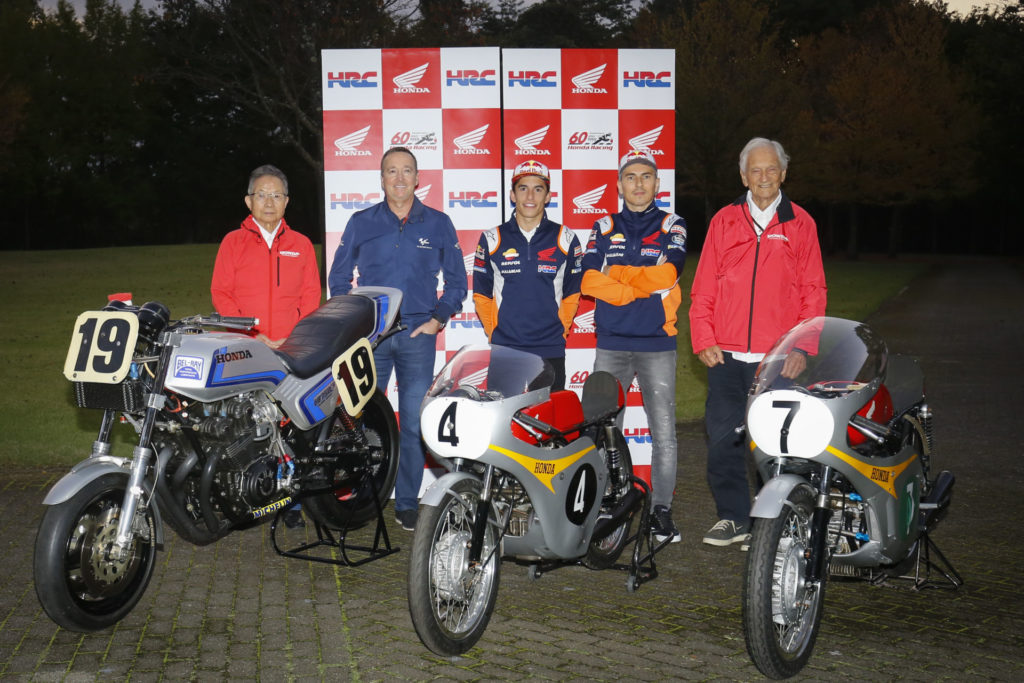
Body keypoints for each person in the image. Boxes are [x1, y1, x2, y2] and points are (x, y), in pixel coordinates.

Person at [689, 137, 827, 547]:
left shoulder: (801, 222)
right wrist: (703, 338)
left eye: (771, 169)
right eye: (755, 170)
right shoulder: (724, 220)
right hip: (726, 357)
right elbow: (704, 287)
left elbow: (813, 291)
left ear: (783, 173)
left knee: (777, 445)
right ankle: (734, 518)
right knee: (723, 440)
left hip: (779, 358)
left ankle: (778, 524)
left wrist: (803, 347)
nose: (763, 177)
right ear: (743, 175)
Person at [328, 146, 467, 532]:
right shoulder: (361, 221)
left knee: (412, 424)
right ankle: (361, 497)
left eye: (407, 171)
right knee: (360, 419)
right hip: (371, 339)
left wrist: (438, 319)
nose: (400, 178)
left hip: (417, 337)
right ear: (382, 178)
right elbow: (338, 279)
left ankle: (406, 501)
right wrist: (356, 322)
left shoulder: (438, 223)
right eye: (392, 171)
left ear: (418, 177)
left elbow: (457, 282)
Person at [580, 149, 688, 543]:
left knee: (663, 432)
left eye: (646, 177)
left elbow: (669, 273)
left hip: (658, 343)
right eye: (631, 177)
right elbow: (589, 280)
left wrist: (618, 277)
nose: (638, 184)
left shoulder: (673, 223)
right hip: (611, 342)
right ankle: (606, 504)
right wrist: (634, 286)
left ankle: (661, 512)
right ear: (619, 185)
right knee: (602, 429)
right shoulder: (604, 225)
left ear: (657, 184)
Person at [211, 163, 322, 528]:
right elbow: (221, 293)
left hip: (291, 350)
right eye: (262, 195)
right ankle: (250, 493)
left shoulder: (301, 244)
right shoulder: (233, 242)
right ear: (249, 201)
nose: (270, 202)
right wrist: (254, 337)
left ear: (287, 202)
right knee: (249, 423)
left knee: (290, 425)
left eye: (277, 195)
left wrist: (294, 338)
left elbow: (311, 297)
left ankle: (289, 502)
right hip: (247, 348)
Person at [473, 160, 582, 391]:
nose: (530, 196)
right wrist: (496, 333)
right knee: (502, 423)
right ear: (512, 195)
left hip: (550, 350)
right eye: (523, 188)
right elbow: (481, 295)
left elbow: (573, 294)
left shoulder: (566, 238)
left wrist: (560, 330)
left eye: (538, 189)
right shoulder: (492, 239)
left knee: (547, 423)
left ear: (548, 196)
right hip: (505, 351)